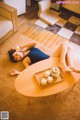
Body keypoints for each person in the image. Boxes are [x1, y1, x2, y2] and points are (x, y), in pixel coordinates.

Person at [8, 41, 80, 75]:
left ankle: (70, 65)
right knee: (64, 44)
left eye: (16, 54)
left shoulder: (28, 48)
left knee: (69, 46)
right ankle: (62, 63)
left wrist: (21, 46)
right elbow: (29, 71)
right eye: (16, 59)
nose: (18, 57)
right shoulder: (25, 60)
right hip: (47, 64)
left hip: (51, 58)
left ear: (18, 50)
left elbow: (33, 43)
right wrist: (18, 73)